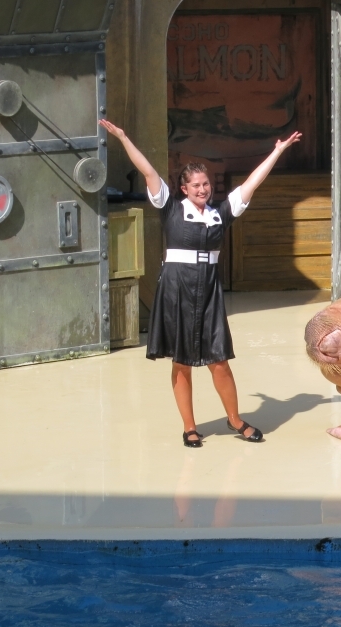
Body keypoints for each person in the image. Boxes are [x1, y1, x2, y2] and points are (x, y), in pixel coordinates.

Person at [99, 119, 301, 448]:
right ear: (184, 188)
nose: (202, 189)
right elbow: (148, 171)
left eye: (206, 184)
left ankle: (235, 419)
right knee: (181, 362)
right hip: (177, 288)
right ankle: (189, 426)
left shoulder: (221, 214)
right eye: (196, 185)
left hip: (208, 289)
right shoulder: (170, 208)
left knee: (218, 360)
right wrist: (122, 137)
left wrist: (277, 151)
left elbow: (252, 183)